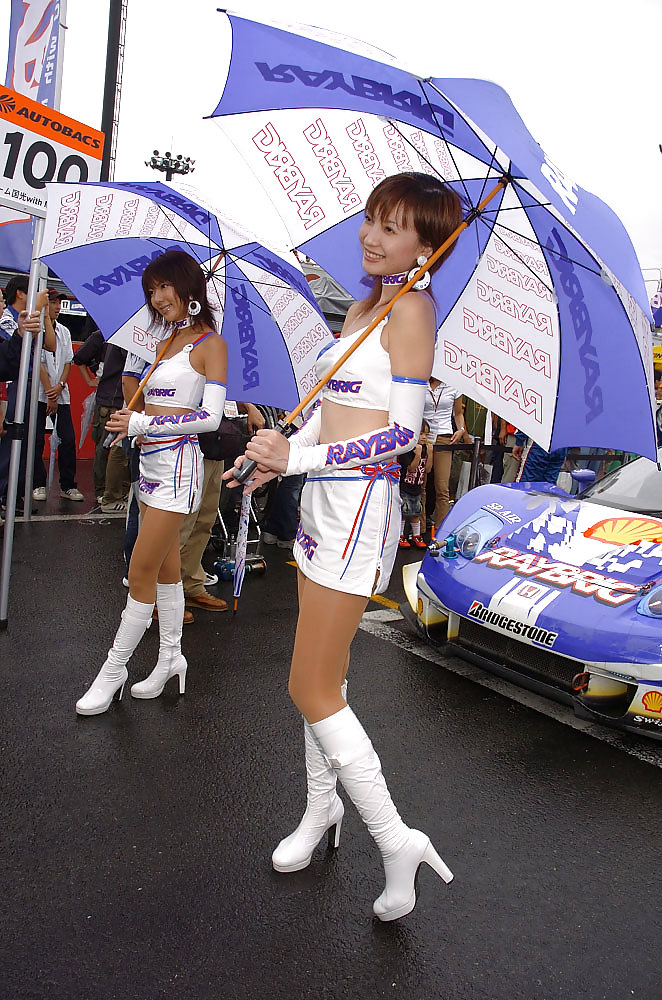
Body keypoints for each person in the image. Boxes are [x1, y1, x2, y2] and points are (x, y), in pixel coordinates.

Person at [225, 172, 462, 921]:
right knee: (324, 678)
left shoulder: (413, 309)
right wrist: (274, 452)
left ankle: (396, 840)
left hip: (361, 511)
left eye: (393, 228)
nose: (371, 235)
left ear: (428, 249)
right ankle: (320, 811)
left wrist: (293, 461)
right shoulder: (364, 305)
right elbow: (332, 418)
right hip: (322, 505)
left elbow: (396, 440)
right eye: (372, 219)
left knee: (310, 687)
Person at [75, 249, 227, 715]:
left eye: (165, 287)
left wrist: (144, 426)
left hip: (180, 471)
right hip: (149, 467)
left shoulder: (210, 346)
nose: (158, 298)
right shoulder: (165, 341)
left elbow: (210, 418)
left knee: (138, 570)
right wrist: (133, 417)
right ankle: (170, 658)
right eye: (152, 290)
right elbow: (150, 403)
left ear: (188, 288)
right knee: (163, 572)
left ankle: (113, 669)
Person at [0, 276, 56, 512]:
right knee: (11, 441)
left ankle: (14, 495)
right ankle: (5, 494)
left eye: (3, 300)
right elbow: (11, 359)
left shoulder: (27, 319)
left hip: (29, 387)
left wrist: (42, 314)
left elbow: (49, 346)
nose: (2, 303)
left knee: (25, 442)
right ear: (22, 293)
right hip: (15, 386)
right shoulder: (7, 319)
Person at [32, 290, 84, 502]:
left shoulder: (64, 331)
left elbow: (67, 362)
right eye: (53, 302)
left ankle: (68, 485)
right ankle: (37, 484)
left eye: (59, 303)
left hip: (61, 394)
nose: (57, 307)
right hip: (40, 393)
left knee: (67, 439)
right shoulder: (37, 329)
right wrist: (49, 391)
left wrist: (60, 385)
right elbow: (38, 362)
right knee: (36, 440)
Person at [72, 329, 130, 510]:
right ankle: (104, 493)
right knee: (109, 450)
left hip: (122, 402)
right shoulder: (107, 334)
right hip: (112, 402)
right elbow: (79, 358)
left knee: (119, 450)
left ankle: (115, 492)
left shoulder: (125, 334)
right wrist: (90, 381)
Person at [422, 376, 466, 533]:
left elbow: (458, 413)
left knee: (442, 486)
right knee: (421, 484)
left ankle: (442, 529)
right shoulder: (422, 380)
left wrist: (461, 430)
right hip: (423, 435)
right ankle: (418, 530)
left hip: (444, 436)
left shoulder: (453, 384)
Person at [398, 419, 432, 548]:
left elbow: (428, 469)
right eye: (421, 434)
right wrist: (417, 455)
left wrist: (430, 453)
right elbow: (411, 469)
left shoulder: (425, 449)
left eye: (426, 435)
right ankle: (401, 536)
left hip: (417, 486)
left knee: (416, 513)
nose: (424, 437)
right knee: (404, 512)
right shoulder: (408, 450)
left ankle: (416, 535)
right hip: (405, 485)